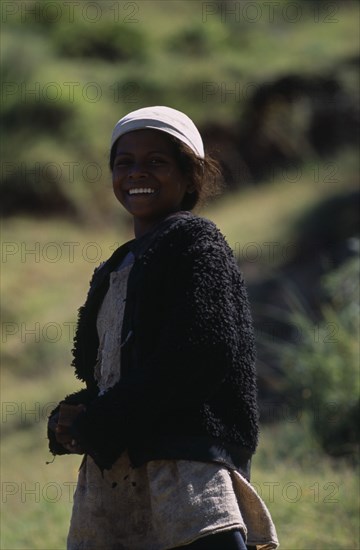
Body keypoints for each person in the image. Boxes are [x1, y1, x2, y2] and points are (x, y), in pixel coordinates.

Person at [47, 106, 278, 550]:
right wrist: (74, 416)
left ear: (190, 175)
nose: (138, 173)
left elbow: (202, 352)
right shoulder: (116, 266)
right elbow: (112, 374)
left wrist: (104, 419)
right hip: (118, 474)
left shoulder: (198, 244)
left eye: (157, 161)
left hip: (184, 468)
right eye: (124, 162)